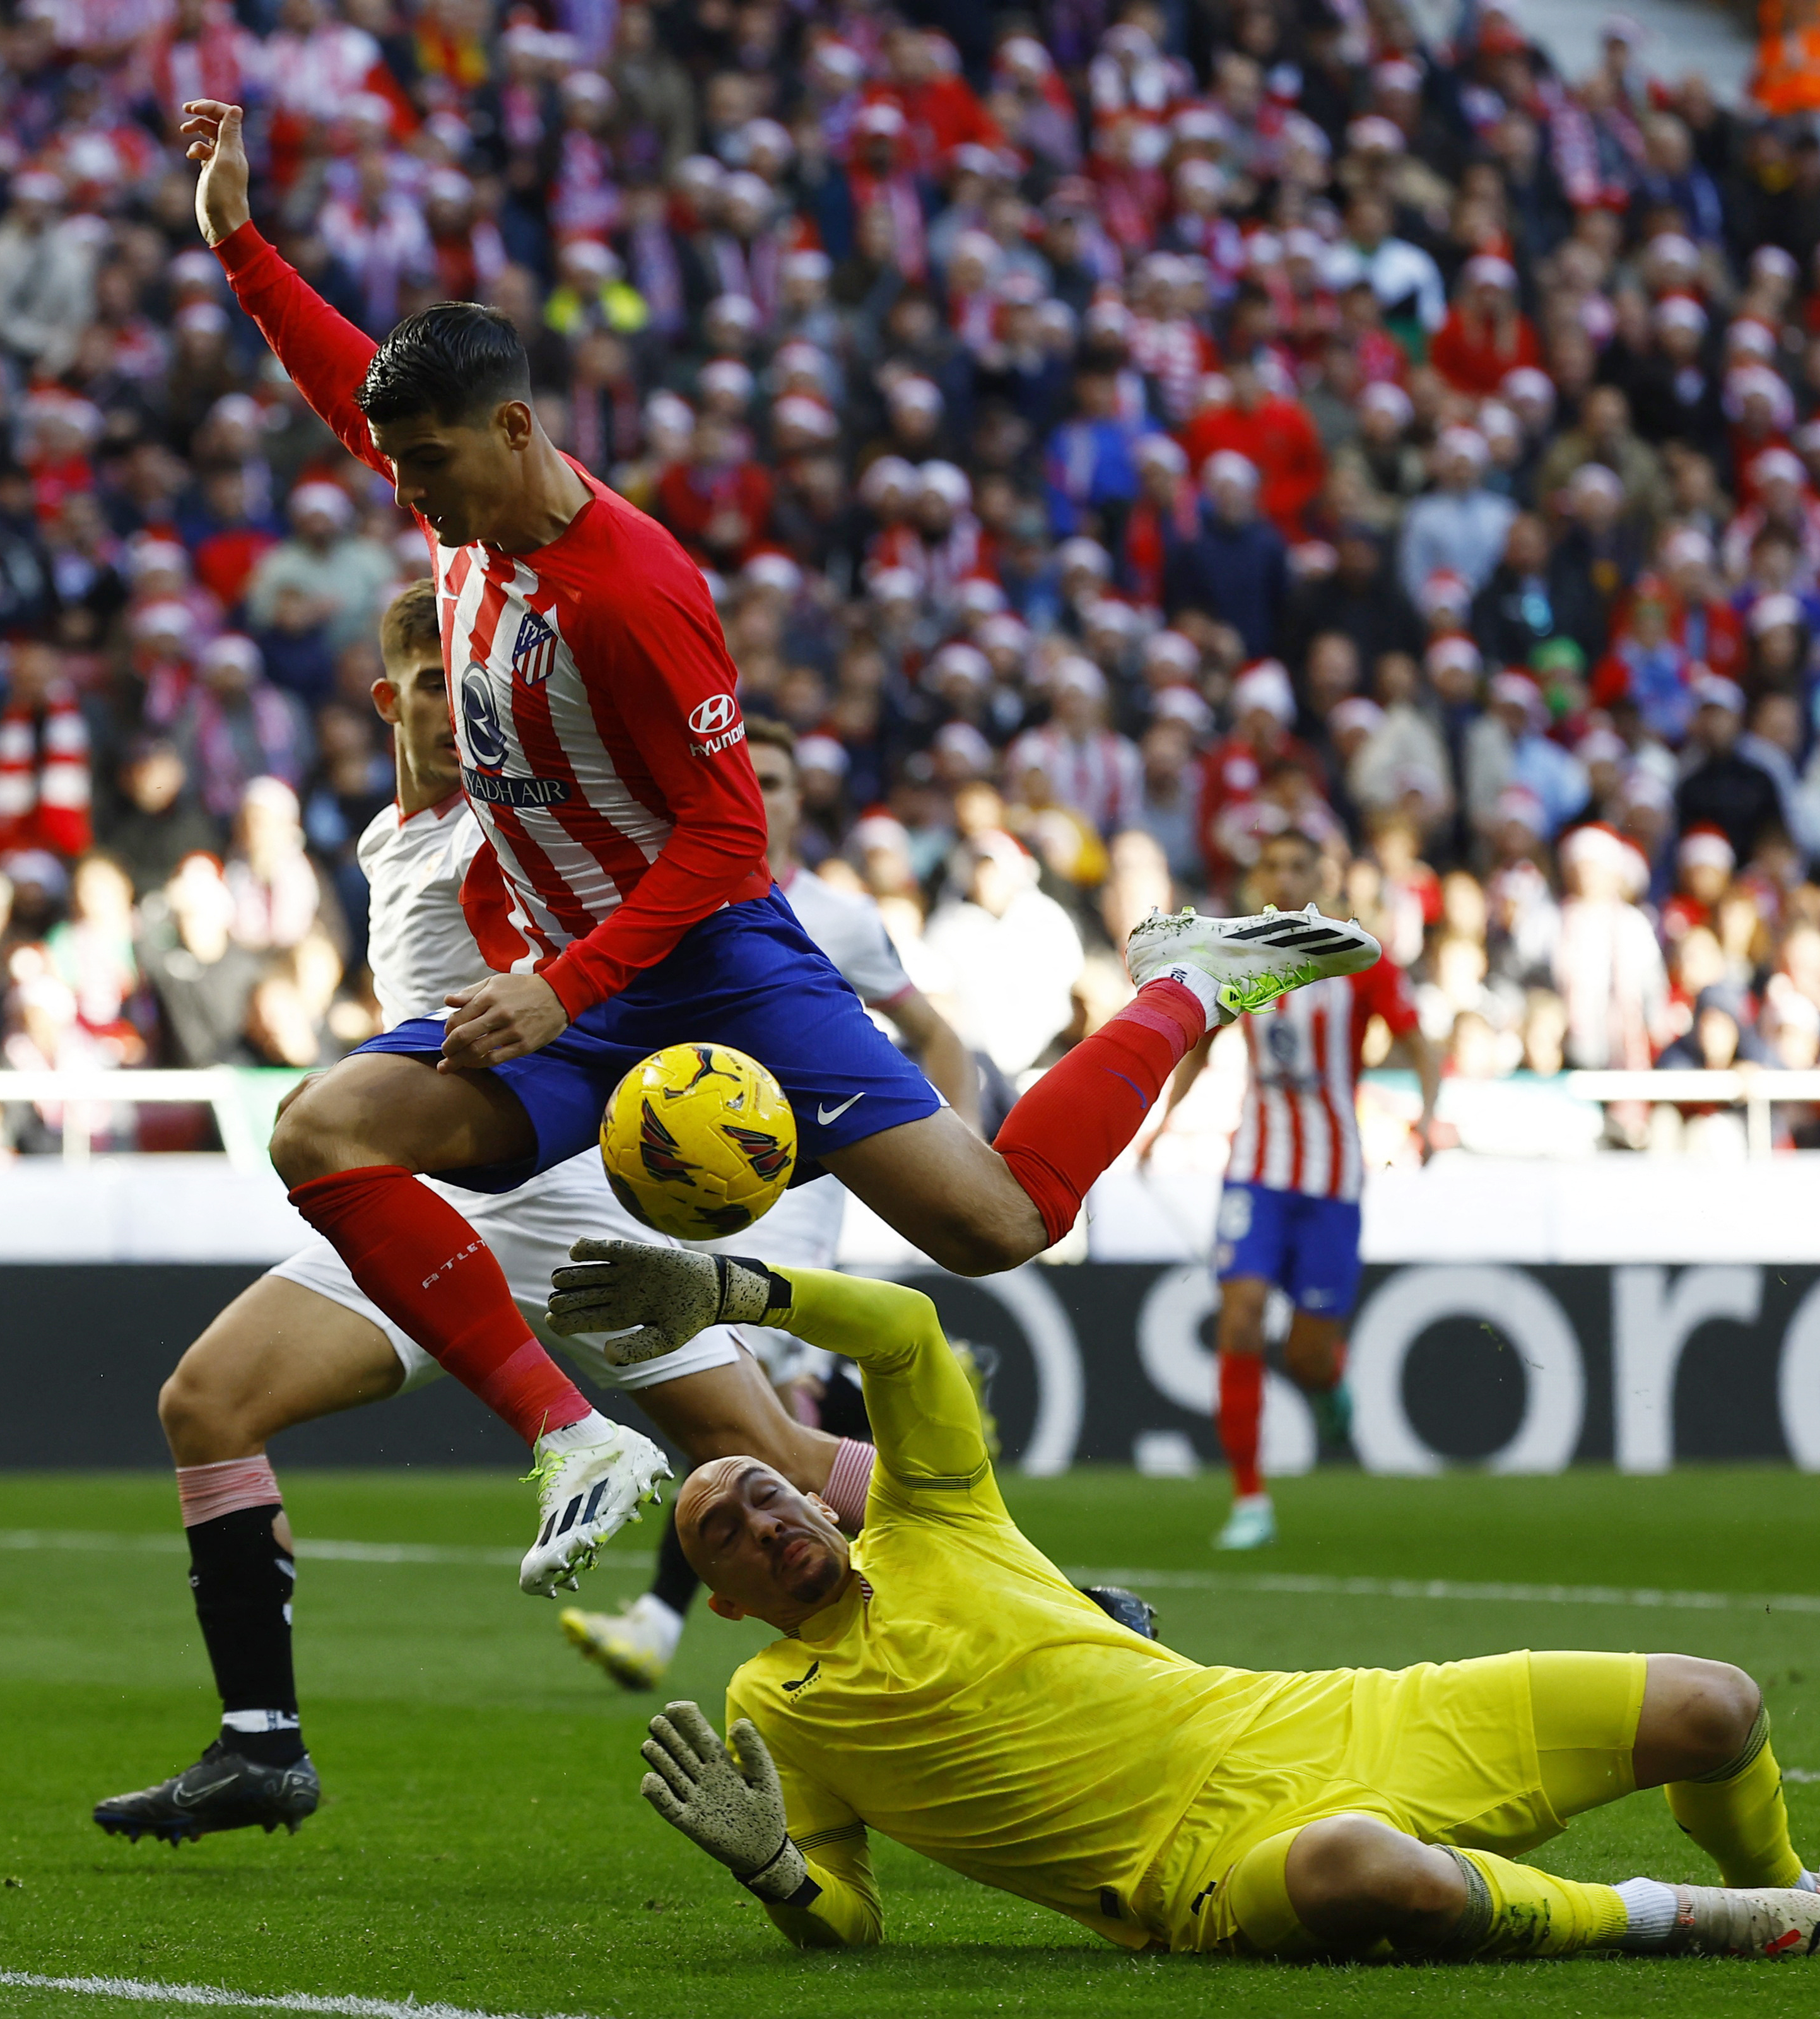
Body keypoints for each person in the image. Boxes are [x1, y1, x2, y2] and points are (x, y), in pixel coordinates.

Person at [180, 99, 1382, 1596]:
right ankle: (575, 1439)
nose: (403, 488)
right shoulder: (462, 521)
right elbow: (337, 379)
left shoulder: (632, 593)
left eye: (426, 461)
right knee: (323, 1129)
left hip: (712, 969)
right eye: (397, 461)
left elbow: (728, 837)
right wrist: (236, 238)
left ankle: (1190, 982)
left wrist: (563, 988)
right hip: (580, 991)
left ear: (514, 428)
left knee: (999, 1219)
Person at [548, 1244, 1820, 1962]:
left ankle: (1784, 1886)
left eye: (763, 1489)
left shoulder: (935, 1518)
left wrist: (732, 1284)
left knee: (1714, 1701)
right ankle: (1678, 1921)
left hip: (1320, 1717)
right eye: (724, 1529)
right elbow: (849, 1916)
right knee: (1367, 1869)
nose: (761, 1516)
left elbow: (910, 1328)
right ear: (724, 1600)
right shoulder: (771, 1704)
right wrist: (773, 1872)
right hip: (1195, 1872)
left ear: (813, 1492)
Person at [91, 582, 879, 1845]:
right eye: (427, 690)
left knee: (772, 1456)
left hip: (567, 1198)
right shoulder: (384, 839)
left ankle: (1052, 1598)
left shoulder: (513, 822)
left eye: (475, 692)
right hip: (425, 1211)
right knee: (207, 1401)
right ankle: (260, 1744)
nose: (456, 717)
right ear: (385, 697)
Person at [560, 715, 980, 1691]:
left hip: (790, 1215)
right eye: (753, 777)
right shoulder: (654, 901)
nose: (768, 794)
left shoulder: (838, 916)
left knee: (755, 1437)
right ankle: (1002, 1603)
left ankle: (670, 1625)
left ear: (796, 801)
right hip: (663, 1208)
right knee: (759, 1437)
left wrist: (957, 1145)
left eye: (783, 781)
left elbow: (932, 1031)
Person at [1139, 827, 1438, 1549]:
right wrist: (1160, 1125)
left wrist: (1429, 1117)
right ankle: (1250, 1501)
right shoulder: (1237, 956)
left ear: (1321, 876)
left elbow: (1420, 1041)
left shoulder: (1360, 959)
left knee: (1306, 1353)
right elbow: (1202, 1045)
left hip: (1334, 1174)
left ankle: (1328, 1384)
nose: (1285, 873)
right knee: (1239, 1316)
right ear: (1259, 877)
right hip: (1258, 1169)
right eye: (1273, 863)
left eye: (1298, 863)